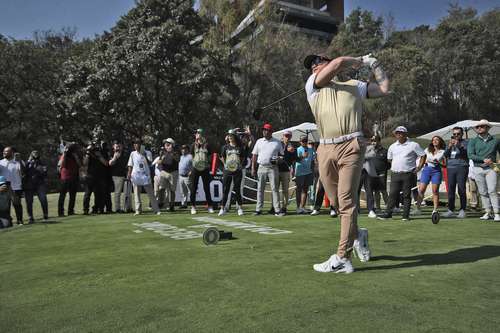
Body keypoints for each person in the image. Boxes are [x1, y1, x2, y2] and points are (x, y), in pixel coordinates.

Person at [303, 52, 390, 273]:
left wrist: (375, 64)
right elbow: (340, 62)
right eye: (311, 64)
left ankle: (342, 257)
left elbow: (384, 88)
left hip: (351, 146)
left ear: (329, 63)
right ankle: (358, 234)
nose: (314, 65)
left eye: (319, 61)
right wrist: (360, 61)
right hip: (324, 148)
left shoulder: (355, 85)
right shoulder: (313, 86)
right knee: (337, 204)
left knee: (346, 201)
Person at [378, 127, 425, 221]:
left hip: (408, 173)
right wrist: (397, 166)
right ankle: (388, 213)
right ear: (395, 134)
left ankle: (405, 215)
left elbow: (423, 155)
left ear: (406, 134)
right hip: (395, 173)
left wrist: (419, 167)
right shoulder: (392, 146)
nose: (399, 135)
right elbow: (389, 159)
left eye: (401, 133)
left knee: (406, 195)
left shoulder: (413, 145)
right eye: (397, 133)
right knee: (392, 194)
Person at [467, 119, 500, 221]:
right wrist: (483, 159)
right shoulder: (473, 141)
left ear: (487, 127)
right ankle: (488, 212)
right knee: (483, 192)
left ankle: (497, 213)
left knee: (492, 190)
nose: (479, 128)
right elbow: (470, 155)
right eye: (477, 127)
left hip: (491, 168)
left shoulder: (496, 140)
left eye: (481, 126)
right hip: (477, 169)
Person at [251, 123, 284, 216]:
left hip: (273, 168)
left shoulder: (277, 142)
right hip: (261, 167)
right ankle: (258, 209)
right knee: (260, 189)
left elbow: (282, 155)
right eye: (264, 130)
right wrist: (253, 168)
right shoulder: (259, 141)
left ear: (271, 132)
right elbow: (254, 155)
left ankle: (277, 210)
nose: (264, 131)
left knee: (275, 189)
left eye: (267, 130)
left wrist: (279, 159)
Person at [413, 136, 446, 219]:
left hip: (436, 171)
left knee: (435, 191)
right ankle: (418, 208)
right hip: (427, 170)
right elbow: (422, 157)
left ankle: (435, 210)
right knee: (421, 189)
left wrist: (438, 163)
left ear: (440, 141)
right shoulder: (427, 149)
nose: (434, 141)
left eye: (437, 140)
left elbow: (445, 164)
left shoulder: (443, 151)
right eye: (433, 140)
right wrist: (422, 164)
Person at [127, 139, 161, 216]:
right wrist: (129, 174)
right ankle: (138, 210)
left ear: (141, 145)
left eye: (137, 144)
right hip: (136, 175)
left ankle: (156, 210)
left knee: (151, 194)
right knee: (136, 193)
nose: (135, 145)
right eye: (134, 144)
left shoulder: (147, 152)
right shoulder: (132, 153)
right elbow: (130, 164)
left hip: (145, 176)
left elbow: (150, 163)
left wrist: (144, 154)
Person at [219, 130, 246, 216]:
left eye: (232, 136)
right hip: (227, 171)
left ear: (235, 137)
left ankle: (240, 208)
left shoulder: (240, 147)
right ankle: (222, 209)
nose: (230, 137)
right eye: (229, 136)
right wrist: (225, 165)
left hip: (237, 171)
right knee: (226, 190)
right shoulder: (225, 147)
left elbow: (242, 158)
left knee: (237, 190)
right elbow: (222, 157)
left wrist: (239, 165)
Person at [443, 127, 469, 218]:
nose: (456, 136)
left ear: (462, 134)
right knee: (451, 189)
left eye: (458, 134)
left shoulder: (466, 142)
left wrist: (459, 146)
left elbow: (467, 154)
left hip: (462, 167)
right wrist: (449, 147)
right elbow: (445, 155)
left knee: (461, 188)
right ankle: (450, 209)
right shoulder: (450, 143)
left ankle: (462, 209)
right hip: (450, 167)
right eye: (454, 134)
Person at [190, 129, 214, 214]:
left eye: (199, 133)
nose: (198, 134)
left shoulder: (207, 145)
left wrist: (209, 166)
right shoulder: (193, 145)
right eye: (197, 133)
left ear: (203, 134)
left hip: (205, 168)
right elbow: (191, 156)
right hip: (195, 168)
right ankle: (193, 207)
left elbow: (211, 156)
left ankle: (210, 206)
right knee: (193, 188)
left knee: (206, 188)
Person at [153, 138, 179, 212]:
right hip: (164, 172)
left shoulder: (176, 152)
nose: (166, 145)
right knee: (161, 188)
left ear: (172, 145)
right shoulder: (162, 152)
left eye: (168, 144)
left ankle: (172, 205)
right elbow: (158, 162)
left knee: (172, 190)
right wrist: (162, 159)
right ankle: (161, 203)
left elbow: (178, 159)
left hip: (173, 172)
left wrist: (171, 152)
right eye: (166, 144)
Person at [0, 147, 24, 224]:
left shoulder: (17, 162)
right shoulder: (0, 163)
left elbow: (23, 173)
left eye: (6, 152)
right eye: (3, 151)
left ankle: (20, 221)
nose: (4, 153)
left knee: (17, 205)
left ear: (11, 153)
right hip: (4, 188)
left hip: (16, 187)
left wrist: (19, 161)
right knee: (6, 206)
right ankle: (8, 222)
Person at [24, 151, 49, 222]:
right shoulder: (27, 163)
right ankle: (30, 217)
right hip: (29, 184)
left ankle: (45, 215)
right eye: (33, 154)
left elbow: (45, 172)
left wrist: (41, 170)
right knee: (29, 201)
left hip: (39, 184)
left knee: (43, 199)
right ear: (31, 155)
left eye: (36, 154)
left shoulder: (41, 163)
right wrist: (29, 161)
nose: (35, 156)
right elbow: (23, 171)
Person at [57, 143, 80, 217]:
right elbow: (61, 164)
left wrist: (76, 156)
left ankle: (71, 211)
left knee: (72, 195)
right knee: (62, 195)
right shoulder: (63, 156)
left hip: (74, 177)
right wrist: (64, 153)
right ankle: (60, 212)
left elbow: (79, 164)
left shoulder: (74, 156)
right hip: (65, 178)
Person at [295, 135, 315, 214]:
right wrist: (302, 156)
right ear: (300, 142)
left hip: (308, 172)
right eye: (303, 141)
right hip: (300, 172)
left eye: (306, 140)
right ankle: (298, 207)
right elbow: (295, 160)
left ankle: (302, 207)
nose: (304, 142)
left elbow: (313, 161)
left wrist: (312, 170)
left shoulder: (311, 150)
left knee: (305, 190)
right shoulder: (298, 149)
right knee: (298, 190)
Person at [277, 131, 296, 214]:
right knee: (275, 190)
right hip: (276, 170)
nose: (287, 137)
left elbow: (294, 159)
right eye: (286, 136)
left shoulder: (291, 147)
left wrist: (291, 152)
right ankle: (275, 207)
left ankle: (284, 207)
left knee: (285, 190)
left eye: (289, 136)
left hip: (285, 171)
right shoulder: (278, 144)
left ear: (291, 137)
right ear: (283, 136)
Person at [109, 141, 129, 213]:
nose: (118, 147)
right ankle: (117, 208)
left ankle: (127, 207)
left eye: (120, 146)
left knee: (127, 193)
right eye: (116, 146)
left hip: (124, 175)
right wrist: (115, 157)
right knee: (118, 192)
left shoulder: (125, 154)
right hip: (116, 175)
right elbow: (110, 163)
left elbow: (127, 165)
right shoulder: (112, 153)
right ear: (113, 147)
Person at [371, 136, 389, 211]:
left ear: (379, 141)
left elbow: (389, 163)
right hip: (372, 174)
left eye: (374, 141)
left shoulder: (385, 151)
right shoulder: (370, 151)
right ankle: (378, 207)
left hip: (382, 173)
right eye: (372, 141)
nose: (373, 142)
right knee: (376, 191)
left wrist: (384, 170)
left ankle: (388, 206)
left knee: (383, 190)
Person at [178, 144, 193, 209]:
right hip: (181, 176)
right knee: (183, 191)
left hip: (187, 176)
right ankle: (184, 204)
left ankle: (193, 204)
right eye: (182, 149)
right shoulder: (181, 157)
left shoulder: (190, 156)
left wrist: (191, 172)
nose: (182, 150)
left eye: (184, 149)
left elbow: (194, 165)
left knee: (191, 191)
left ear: (187, 150)